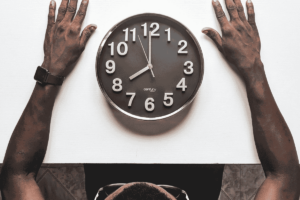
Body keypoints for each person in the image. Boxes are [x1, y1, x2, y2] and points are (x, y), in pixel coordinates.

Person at [0, 0, 299, 199]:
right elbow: (284, 174)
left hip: (108, 161)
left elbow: (17, 173)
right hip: (195, 173)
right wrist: (252, 68)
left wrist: (51, 69)